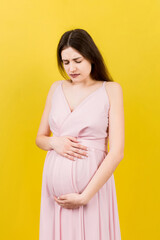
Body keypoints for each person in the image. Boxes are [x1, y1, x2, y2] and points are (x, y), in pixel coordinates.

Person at [36, 28, 124, 240]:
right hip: (55, 197)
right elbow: (40, 138)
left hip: (92, 193)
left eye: (77, 60)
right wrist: (54, 142)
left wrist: (85, 196)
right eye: (66, 62)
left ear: (91, 57)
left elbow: (117, 152)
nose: (71, 68)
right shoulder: (56, 88)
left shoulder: (110, 89)